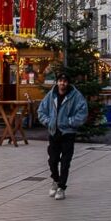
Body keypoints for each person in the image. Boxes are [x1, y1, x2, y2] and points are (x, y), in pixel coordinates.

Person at [37, 72, 89, 201]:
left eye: (65, 81)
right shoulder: (51, 95)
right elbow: (41, 111)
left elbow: (82, 112)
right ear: (57, 82)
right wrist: (49, 121)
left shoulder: (75, 96)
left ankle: (61, 188)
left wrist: (69, 122)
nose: (62, 83)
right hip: (54, 132)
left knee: (65, 162)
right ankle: (55, 180)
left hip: (68, 134)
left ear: (68, 83)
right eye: (60, 81)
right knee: (52, 160)